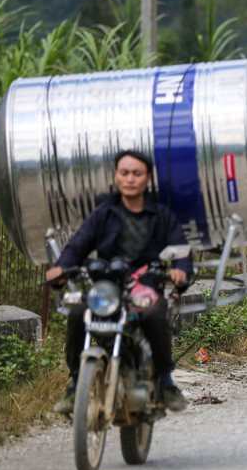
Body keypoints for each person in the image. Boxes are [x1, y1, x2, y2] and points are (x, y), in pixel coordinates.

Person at [47, 150, 193, 414]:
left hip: (145, 286)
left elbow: (181, 250)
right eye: (124, 173)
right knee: (78, 313)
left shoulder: (162, 215)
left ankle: (165, 381)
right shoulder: (102, 213)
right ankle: (76, 385)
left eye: (137, 173)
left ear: (148, 178)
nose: (130, 179)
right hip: (107, 287)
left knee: (155, 316)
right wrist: (60, 268)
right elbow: (78, 244)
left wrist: (180, 271)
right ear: (116, 176)